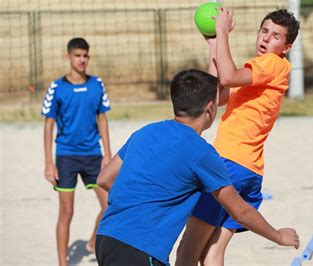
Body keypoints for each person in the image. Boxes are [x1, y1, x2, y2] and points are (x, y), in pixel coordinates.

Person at [95, 69, 299, 266]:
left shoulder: (145, 132)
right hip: (140, 249)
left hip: (106, 237)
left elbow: (104, 179)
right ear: (210, 108)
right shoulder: (202, 153)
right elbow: (240, 211)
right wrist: (279, 236)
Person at [176, 8, 300, 266]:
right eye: (264, 31)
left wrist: (222, 32)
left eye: (276, 36)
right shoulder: (261, 76)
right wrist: (213, 44)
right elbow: (217, 95)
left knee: (187, 252)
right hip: (249, 170)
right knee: (212, 253)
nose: (266, 38)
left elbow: (228, 76)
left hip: (229, 164)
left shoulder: (271, 64)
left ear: (286, 47)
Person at [41, 37, 111, 265]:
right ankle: (63, 262)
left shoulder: (97, 84)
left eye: (85, 56)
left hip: (93, 154)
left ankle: (92, 243)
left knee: (110, 205)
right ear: (68, 57)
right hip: (66, 156)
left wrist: (107, 155)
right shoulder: (57, 87)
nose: (82, 60)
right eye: (77, 55)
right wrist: (49, 163)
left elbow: (102, 118)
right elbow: (49, 124)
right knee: (66, 212)